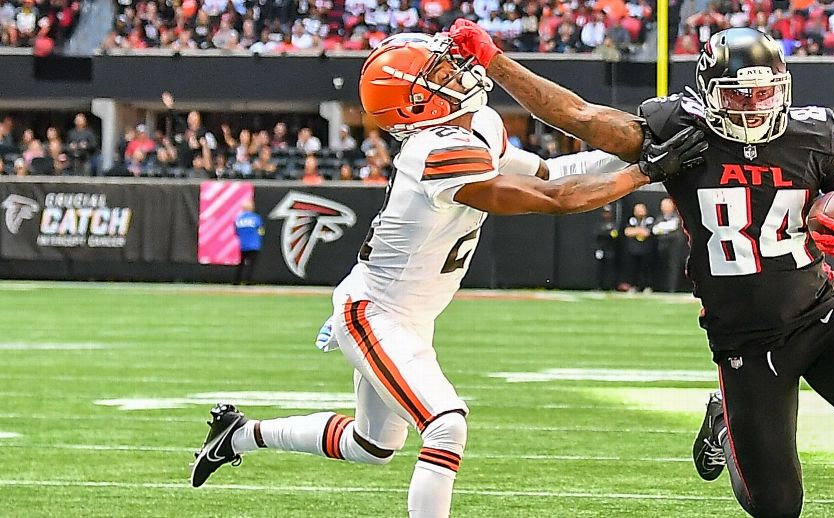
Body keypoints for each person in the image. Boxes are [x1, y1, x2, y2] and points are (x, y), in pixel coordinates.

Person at [451, 22, 834, 518]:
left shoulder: (812, 136)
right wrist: (493, 60)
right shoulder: (679, 131)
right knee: (776, 505)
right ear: (707, 91)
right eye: (737, 94)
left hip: (822, 320)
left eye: (764, 92)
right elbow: (580, 116)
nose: (752, 105)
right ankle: (724, 422)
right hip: (746, 341)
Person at [187, 33, 706, 518]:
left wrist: (639, 151)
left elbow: (554, 173)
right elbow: (553, 200)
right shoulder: (435, 151)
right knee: (445, 426)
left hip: (401, 312)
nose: (460, 72)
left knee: (370, 446)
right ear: (417, 102)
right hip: (377, 313)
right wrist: (647, 171)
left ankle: (237, 435)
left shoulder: (474, 128)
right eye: (442, 71)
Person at [653, 197, 687, 292]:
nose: (665, 208)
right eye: (663, 206)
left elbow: (674, 228)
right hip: (662, 245)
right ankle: (662, 286)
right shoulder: (659, 218)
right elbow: (655, 230)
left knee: (673, 266)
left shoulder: (677, 218)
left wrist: (662, 229)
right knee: (663, 265)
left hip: (675, 245)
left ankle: (671, 288)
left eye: (667, 206)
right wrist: (664, 229)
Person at [622, 202, 656, 291]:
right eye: (637, 210)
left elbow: (647, 232)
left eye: (641, 210)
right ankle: (633, 286)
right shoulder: (631, 220)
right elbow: (627, 232)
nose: (640, 212)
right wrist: (639, 230)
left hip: (646, 249)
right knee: (633, 268)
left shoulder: (650, 220)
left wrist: (636, 231)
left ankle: (647, 286)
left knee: (646, 268)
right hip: (634, 249)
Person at [232, 200, 264, 285]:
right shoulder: (256, 218)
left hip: (243, 245)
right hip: (254, 244)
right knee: (251, 264)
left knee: (241, 263)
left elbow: (236, 232)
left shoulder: (238, 219)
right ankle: (248, 281)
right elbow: (261, 231)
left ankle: (236, 281)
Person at [594, 205, 621, 290]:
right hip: (601, 249)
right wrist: (607, 232)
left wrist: (607, 233)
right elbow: (597, 234)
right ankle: (599, 286)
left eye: (608, 213)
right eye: (605, 213)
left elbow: (615, 235)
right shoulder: (599, 223)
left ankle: (611, 286)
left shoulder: (614, 223)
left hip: (611, 249)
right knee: (600, 269)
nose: (607, 215)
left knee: (611, 269)